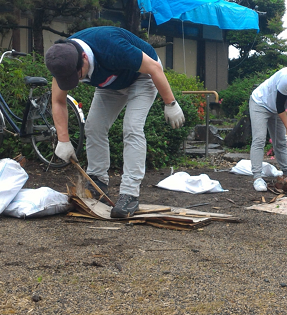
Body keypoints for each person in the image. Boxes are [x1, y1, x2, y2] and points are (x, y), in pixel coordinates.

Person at [44, 26, 185, 218]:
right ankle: (97, 183)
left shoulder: (111, 45)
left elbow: (154, 68)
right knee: (94, 127)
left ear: (84, 57)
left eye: (78, 75)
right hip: (110, 83)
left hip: (142, 76)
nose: (77, 81)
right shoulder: (63, 60)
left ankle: (129, 194)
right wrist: (63, 140)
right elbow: (58, 101)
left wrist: (170, 103)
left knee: (132, 128)